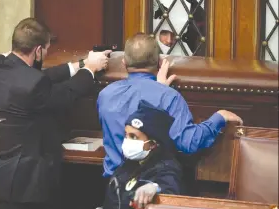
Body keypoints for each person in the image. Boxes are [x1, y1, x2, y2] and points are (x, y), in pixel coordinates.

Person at [0, 17, 109, 209]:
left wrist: (80, 64)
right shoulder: (33, 83)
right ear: (38, 50)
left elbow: (38, 77)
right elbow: (64, 95)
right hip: (26, 179)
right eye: (46, 49)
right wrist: (90, 71)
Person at [97, 33, 243, 180]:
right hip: (151, 186)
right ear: (160, 63)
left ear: (124, 63)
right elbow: (189, 142)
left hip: (113, 186)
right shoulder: (168, 97)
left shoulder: (105, 95)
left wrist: (158, 89)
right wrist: (219, 117)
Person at [103, 100, 183, 209]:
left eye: (134, 137)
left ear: (152, 144)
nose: (127, 141)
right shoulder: (130, 164)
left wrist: (154, 188)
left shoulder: (167, 167)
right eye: (126, 135)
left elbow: (170, 190)